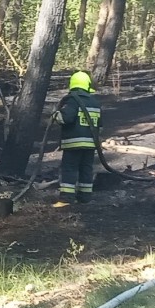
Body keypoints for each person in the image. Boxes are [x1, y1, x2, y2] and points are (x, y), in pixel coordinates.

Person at [50, 71, 102, 207]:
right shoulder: (94, 102)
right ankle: (85, 197)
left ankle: (66, 198)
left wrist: (55, 115)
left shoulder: (72, 100)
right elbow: (99, 124)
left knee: (69, 168)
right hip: (91, 143)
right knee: (86, 168)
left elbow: (66, 119)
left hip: (73, 143)